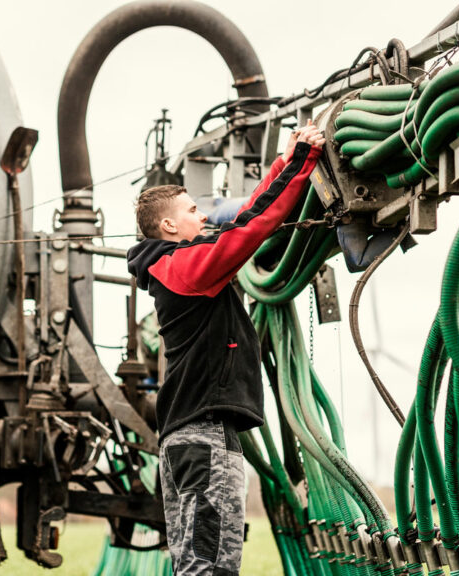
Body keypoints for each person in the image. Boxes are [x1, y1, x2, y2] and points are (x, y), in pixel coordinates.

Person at [127, 121, 325, 575]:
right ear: (169, 224)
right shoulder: (186, 268)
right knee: (211, 569)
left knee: (194, 567)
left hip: (185, 442)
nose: (203, 216)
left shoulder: (172, 268)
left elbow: (242, 220)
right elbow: (249, 230)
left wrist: (282, 161)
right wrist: (302, 161)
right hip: (205, 439)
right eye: (194, 211)